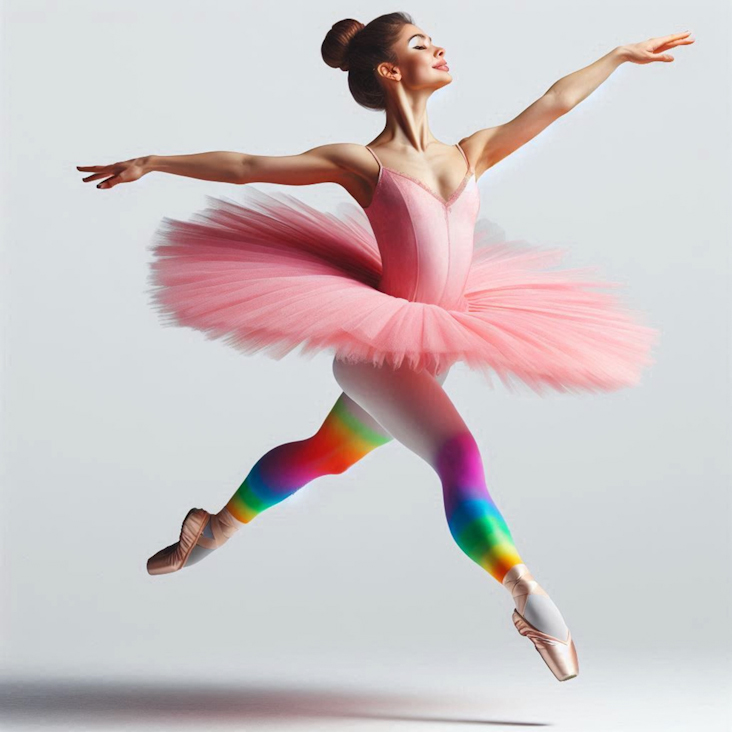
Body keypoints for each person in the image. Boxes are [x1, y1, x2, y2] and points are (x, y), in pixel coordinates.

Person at [76, 13, 694, 682]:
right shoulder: (362, 163)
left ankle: (217, 527)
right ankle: (525, 593)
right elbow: (252, 166)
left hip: (436, 350)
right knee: (458, 453)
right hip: (378, 355)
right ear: (390, 71)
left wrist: (617, 55)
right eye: (421, 44)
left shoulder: (471, 151)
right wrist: (156, 161)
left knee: (325, 455)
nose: (441, 47)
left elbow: (555, 101)